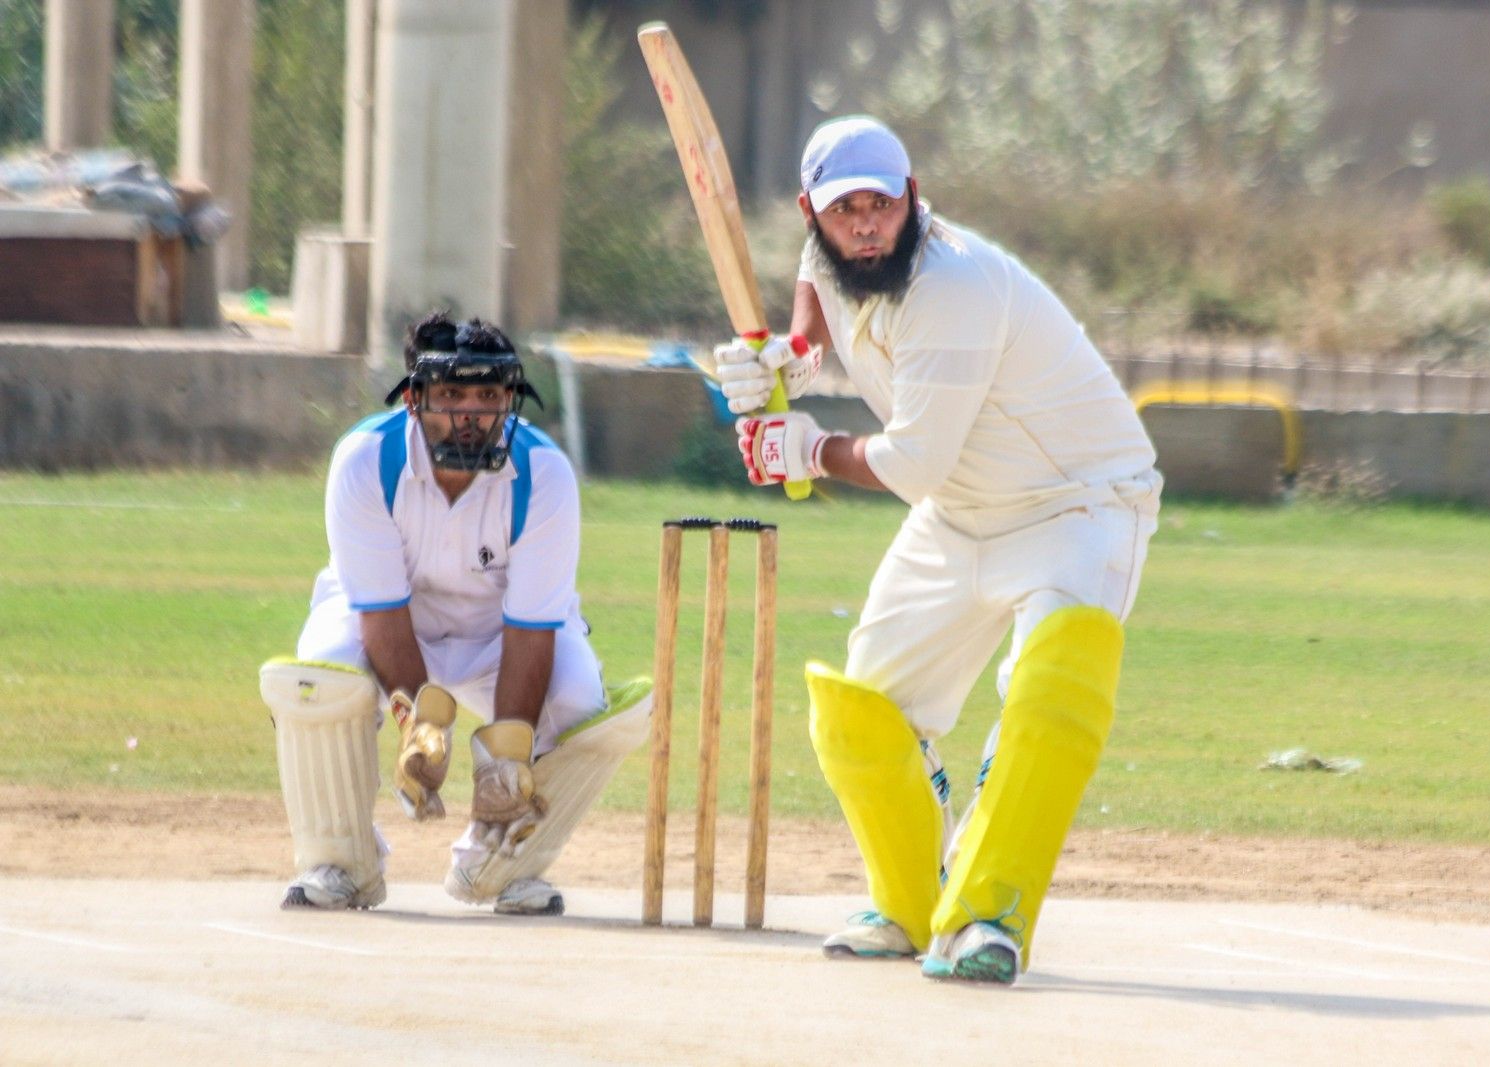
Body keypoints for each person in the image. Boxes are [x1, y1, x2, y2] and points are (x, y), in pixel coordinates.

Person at [714, 116, 1162, 985]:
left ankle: (987, 915)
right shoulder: (828, 254)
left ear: (912, 197)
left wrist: (807, 448)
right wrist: (791, 357)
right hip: (961, 511)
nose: (867, 227)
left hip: (1078, 505)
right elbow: (814, 292)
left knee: (1049, 693)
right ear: (812, 214)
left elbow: (913, 464)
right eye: (845, 211)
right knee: (864, 709)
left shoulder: (952, 284)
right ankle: (911, 903)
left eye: (882, 205)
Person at [259, 314, 650, 917]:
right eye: (451, 396)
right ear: (414, 399)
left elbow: (532, 628)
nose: (470, 414)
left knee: (579, 698)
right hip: (386, 626)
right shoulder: (366, 460)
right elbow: (381, 615)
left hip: (498, 636)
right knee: (320, 677)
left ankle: (500, 866)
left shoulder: (544, 473)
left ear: (509, 399)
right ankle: (340, 863)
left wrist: (507, 757)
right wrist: (420, 725)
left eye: (488, 397)